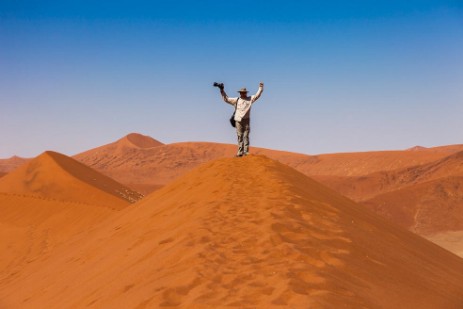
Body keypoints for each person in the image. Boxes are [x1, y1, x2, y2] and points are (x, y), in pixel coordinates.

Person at [219, 82, 264, 157]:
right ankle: (240, 152)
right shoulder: (236, 100)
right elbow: (226, 99)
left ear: (246, 93)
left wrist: (260, 88)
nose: (243, 94)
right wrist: (222, 90)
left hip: (246, 120)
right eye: (241, 93)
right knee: (240, 136)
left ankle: (246, 152)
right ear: (240, 93)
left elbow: (257, 96)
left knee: (246, 135)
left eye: (244, 93)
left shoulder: (250, 99)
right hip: (238, 120)